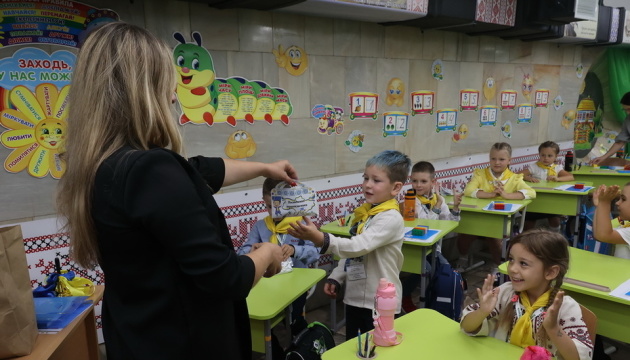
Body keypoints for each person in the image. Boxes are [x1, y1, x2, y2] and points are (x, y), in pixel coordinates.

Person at [56, 22, 294, 360]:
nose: (172, 97)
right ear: (145, 90)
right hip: (183, 343)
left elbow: (200, 172)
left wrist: (265, 168)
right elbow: (225, 278)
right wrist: (267, 254)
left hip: (136, 338)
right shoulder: (150, 170)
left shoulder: (105, 168)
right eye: (168, 84)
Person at [287, 150, 411, 340]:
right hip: (355, 297)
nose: (368, 185)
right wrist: (337, 276)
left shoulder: (390, 218)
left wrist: (321, 239)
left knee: (378, 347)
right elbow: (353, 253)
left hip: (380, 302)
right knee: (354, 345)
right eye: (366, 178)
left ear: (396, 188)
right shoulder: (366, 213)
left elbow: (358, 246)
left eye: (376, 180)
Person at [460, 230, 593, 360]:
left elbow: (579, 357)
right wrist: (482, 312)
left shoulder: (565, 307)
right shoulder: (506, 292)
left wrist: (553, 329)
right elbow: (467, 326)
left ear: (551, 272)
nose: (512, 268)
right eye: (511, 260)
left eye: (523, 263)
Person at [237, 178, 320, 334]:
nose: (274, 212)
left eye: (281, 207)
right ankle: (272, 344)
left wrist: (295, 250)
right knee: (261, 320)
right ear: (264, 202)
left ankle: (298, 342)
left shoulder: (300, 225)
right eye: (270, 207)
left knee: (294, 320)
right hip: (267, 284)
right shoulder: (260, 226)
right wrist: (253, 251)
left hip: (295, 286)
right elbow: (242, 252)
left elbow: (315, 253)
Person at [459, 143, 535, 273]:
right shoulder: (480, 174)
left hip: (500, 221)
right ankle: (463, 259)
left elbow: (531, 193)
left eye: (501, 159)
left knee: (495, 238)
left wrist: (506, 195)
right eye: (493, 159)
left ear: (509, 160)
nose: (497, 162)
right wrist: (490, 194)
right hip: (478, 217)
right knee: (464, 233)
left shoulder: (514, 178)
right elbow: (468, 190)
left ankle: (497, 265)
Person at [400, 161, 463, 313]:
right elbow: (425, 227)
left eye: (423, 181)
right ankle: (407, 296)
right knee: (428, 269)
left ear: (433, 182)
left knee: (441, 270)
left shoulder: (436, 199)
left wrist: (455, 207)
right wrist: (437, 206)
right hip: (413, 247)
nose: (418, 185)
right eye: (414, 181)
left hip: (432, 247)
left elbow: (449, 223)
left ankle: (432, 301)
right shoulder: (411, 200)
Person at [520, 141, 574, 232]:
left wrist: (558, 179)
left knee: (555, 220)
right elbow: (517, 175)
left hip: (551, 200)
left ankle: (555, 238)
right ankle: (526, 239)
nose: (546, 158)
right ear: (539, 155)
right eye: (543, 155)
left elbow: (571, 177)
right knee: (529, 222)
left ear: (556, 157)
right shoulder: (534, 167)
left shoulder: (557, 168)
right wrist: (527, 178)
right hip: (535, 201)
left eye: (550, 156)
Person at [590, 91, 630, 166]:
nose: (628, 113)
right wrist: (603, 157)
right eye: (625, 110)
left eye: (629, 109)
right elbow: (620, 142)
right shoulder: (628, 120)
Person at [592, 183, 630, 259]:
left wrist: (604, 202)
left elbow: (603, 235)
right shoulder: (626, 224)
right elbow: (598, 234)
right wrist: (600, 205)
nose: (617, 203)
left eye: (623, 199)